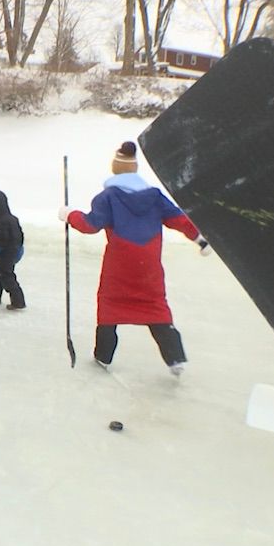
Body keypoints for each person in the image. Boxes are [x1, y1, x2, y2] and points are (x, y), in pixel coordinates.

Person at [57, 141, 207, 376]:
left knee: (109, 307)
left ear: (115, 168)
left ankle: (103, 356)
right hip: (148, 266)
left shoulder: (107, 197)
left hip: (119, 266)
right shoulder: (154, 196)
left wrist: (69, 214)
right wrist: (199, 238)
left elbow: (90, 225)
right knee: (155, 306)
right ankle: (175, 358)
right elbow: (178, 219)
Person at [0, 190, 25, 310]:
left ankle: (18, 301)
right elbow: (20, 235)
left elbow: (1, 239)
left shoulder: (1, 222)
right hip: (13, 252)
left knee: (6, 276)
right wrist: (19, 248)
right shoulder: (14, 219)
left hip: (6, 253)